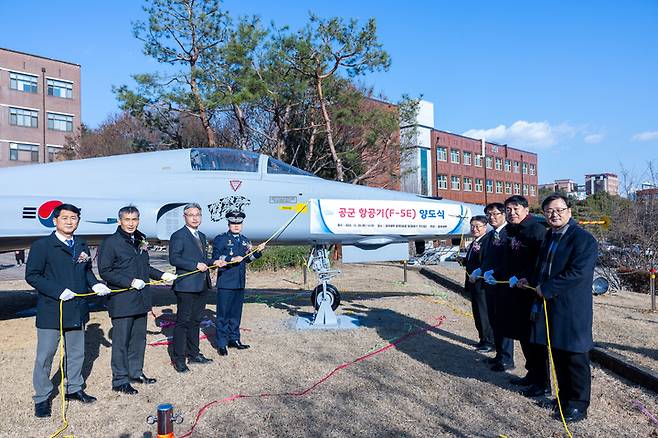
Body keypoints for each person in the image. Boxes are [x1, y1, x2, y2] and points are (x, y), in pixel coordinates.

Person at [25, 203, 112, 418]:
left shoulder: (81, 245)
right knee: (45, 356)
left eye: (74, 218)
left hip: (77, 309)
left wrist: (95, 284)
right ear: (55, 220)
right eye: (65, 218)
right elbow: (32, 275)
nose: (70, 221)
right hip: (52, 310)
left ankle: (74, 388)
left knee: (76, 354)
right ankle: (42, 397)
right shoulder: (42, 246)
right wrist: (57, 291)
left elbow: (86, 272)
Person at [518, 194, 598, 422]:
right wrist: (530, 281)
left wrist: (549, 288)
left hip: (572, 308)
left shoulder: (583, 239)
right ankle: (564, 398)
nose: (554, 215)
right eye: (549, 211)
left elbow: (578, 273)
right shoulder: (550, 237)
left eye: (559, 210)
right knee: (558, 353)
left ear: (569, 211)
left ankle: (579, 405)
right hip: (549, 306)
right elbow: (542, 268)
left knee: (575, 356)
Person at [98, 206, 176, 395]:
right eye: (127, 219)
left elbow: (145, 266)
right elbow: (105, 271)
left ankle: (135, 373)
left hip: (141, 299)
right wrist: (130, 281)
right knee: (121, 342)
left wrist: (162, 274)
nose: (131, 223)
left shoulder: (140, 239)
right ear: (119, 221)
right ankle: (120, 380)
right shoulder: (111, 242)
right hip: (122, 300)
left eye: (134, 219)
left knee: (138, 340)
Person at [501, 195, 549, 397]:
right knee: (523, 335)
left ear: (526, 210)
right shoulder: (511, 231)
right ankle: (531, 374)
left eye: (516, 208)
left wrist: (528, 278)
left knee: (534, 339)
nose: (512, 213)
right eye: (508, 209)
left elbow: (542, 260)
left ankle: (542, 382)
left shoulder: (536, 230)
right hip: (516, 291)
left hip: (531, 291)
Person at [168, 203, 225, 373]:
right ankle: (179, 359)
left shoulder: (202, 235)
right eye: (191, 215)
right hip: (186, 286)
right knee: (183, 322)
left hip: (201, 284)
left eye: (198, 214)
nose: (195, 218)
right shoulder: (178, 235)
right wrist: (194, 265)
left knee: (196, 321)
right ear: (184, 217)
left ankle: (194, 354)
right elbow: (174, 259)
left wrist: (213, 262)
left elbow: (202, 259)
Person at [212, 211, 265, 356]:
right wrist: (230, 258)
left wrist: (257, 252)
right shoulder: (221, 239)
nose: (236, 226)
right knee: (223, 315)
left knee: (236, 314)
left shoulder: (245, 240)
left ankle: (234, 339)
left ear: (242, 225)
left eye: (238, 223)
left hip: (239, 282)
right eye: (233, 223)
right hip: (226, 282)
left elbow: (247, 259)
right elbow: (215, 257)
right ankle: (222, 343)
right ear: (229, 224)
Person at [479, 202, 515, 371]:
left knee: (504, 322)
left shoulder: (510, 234)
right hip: (490, 285)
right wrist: (483, 270)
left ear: (504, 215)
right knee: (494, 321)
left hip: (503, 285)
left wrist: (496, 272)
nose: (492, 218)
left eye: (495, 214)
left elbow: (510, 261)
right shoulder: (490, 235)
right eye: (489, 215)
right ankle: (499, 355)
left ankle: (507, 359)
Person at [463, 215, 494, 353]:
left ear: (485, 227)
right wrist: (463, 261)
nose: (474, 229)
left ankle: (489, 342)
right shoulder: (474, 242)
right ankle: (482, 339)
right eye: (472, 226)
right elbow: (473, 261)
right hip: (473, 284)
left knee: (484, 314)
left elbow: (486, 263)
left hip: (482, 285)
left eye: (478, 226)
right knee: (477, 314)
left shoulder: (487, 241)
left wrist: (478, 275)